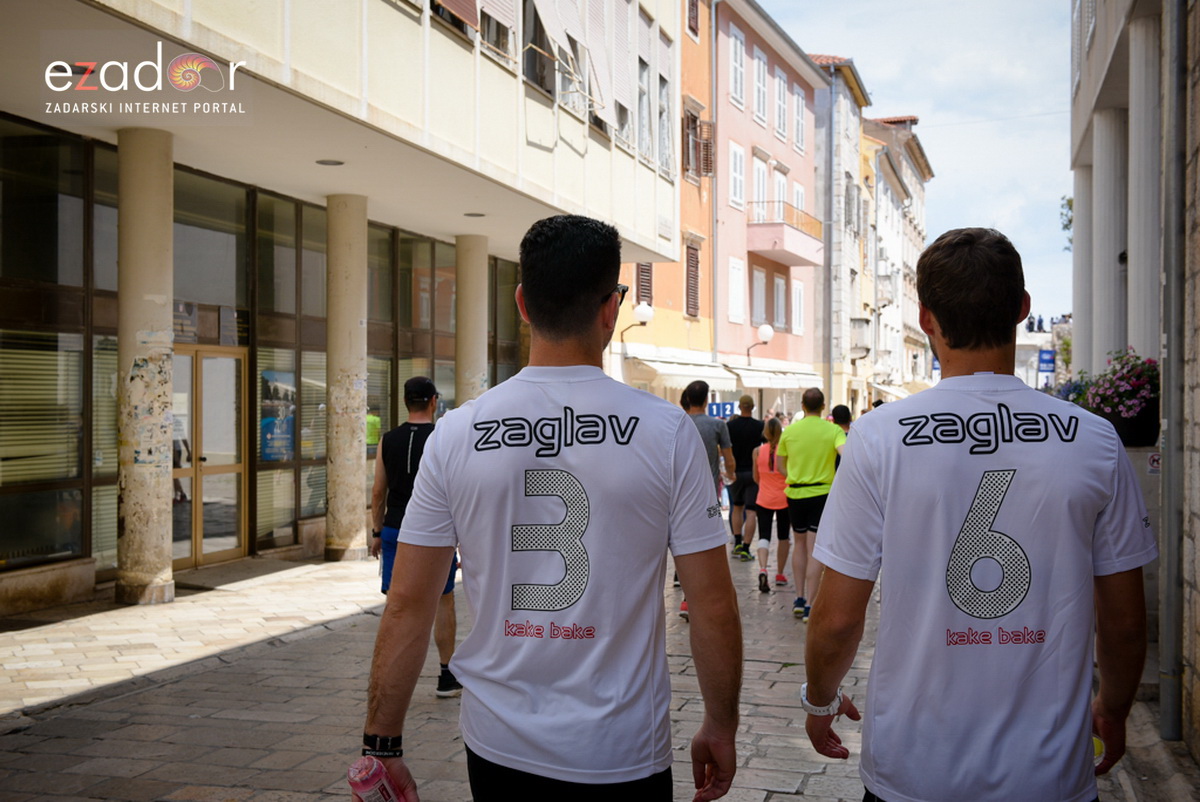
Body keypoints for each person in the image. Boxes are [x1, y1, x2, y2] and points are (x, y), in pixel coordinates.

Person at [359, 215, 743, 802]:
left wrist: (381, 744)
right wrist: (721, 724)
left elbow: (409, 602)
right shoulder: (667, 434)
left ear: (521, 303)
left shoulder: (456, 434)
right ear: (611, 309)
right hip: (622, 749)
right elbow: (712, 604)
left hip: (498, 745)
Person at [802, 228, 1157, 802]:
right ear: (1022, 309)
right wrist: (1112, 708)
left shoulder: (877, 438)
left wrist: (820, 699)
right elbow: (1123, 621)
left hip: (913, 770)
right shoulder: (1095, 440)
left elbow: (838, 617)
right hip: (1046, 774)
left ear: (926, 319)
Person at [370, 377, 462, 699]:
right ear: (434, 401)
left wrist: (377, 532)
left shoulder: (387, 439)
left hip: (396, 528)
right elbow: (454, 492)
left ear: (406, 401)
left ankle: (390, 681)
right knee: (444, 599)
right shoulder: (442, 438)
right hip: (436, 532)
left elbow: (378, 491)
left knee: (396, 606)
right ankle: (447, 675)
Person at [776, 388, 845, 620]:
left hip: (795, 493)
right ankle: (811, 604)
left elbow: (780, 466)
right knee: (816, 547)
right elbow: (845, 453)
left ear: (803, 406)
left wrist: (795, 473)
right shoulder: (834, 429)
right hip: (822, 493)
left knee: (800, 544)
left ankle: (799, 596)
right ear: (823, 406)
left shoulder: (790, 432)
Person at [679, 380, 736, 620]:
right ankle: (693, 599)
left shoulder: (678, 421)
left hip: (678, 494)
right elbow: (728, 457)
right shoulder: (717, 425)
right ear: (706, 400)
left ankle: (684, 596)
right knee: (705, 547)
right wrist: (731, 475)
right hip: (708, 493)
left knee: (680, 542)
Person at [750, 416, 789, 593]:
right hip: (784, 499)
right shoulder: (786, 450)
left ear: (765, 432)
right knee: (783, 537)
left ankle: (763, 568)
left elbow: (755, 478)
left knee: (764, 536)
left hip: (764, 498)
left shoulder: (757, 451)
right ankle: (780, 573)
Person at [726, 395, 764, 561]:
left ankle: (737, 543)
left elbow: (725, 448)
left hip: (735, 472)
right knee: (751, 512)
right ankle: (746, 549)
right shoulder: (759, 426)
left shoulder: (730, 426)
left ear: (740, 407)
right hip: (752, 473)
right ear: (753, 406)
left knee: (737, 508)